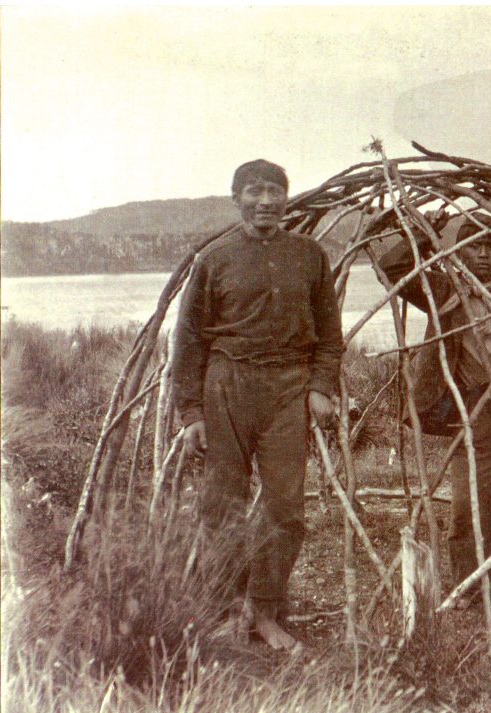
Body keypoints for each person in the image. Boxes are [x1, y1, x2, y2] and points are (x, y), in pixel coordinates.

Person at [172, 159, 343, 650]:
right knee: (221, 504)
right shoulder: (214, 259)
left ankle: (265, 611)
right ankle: (227, 612)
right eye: (254, 191)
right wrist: (191, 414)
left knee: (286, 507)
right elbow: (187, 343)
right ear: (236, 199)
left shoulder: (310, 256)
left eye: (275, 191)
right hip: (227, 385)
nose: (265, 201)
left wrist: (321, 387)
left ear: (287, 199)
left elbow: (329, 335)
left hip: (288, 388)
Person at [378, 215, 491, 605]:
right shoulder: (444, 290)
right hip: (473, 403)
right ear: (459, 251)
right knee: (467, 501)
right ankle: (468, 584)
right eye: (474, 245)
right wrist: (421, 234)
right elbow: (391, 267)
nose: (483, 254)